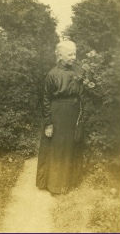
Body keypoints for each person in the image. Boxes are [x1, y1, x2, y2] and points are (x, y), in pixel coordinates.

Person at [36, 40, 84, 194]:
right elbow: (45, 100)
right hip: (58, 114)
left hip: (73, 113)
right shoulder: (52, 74)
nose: (73, 57)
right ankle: (54, 185)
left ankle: (70, 182)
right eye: (70, 54)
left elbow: (82, 93)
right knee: (57, 149)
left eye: (75, 53)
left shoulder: (77, 72)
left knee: (71, 146)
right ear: (61, 56)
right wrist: (48, 123)